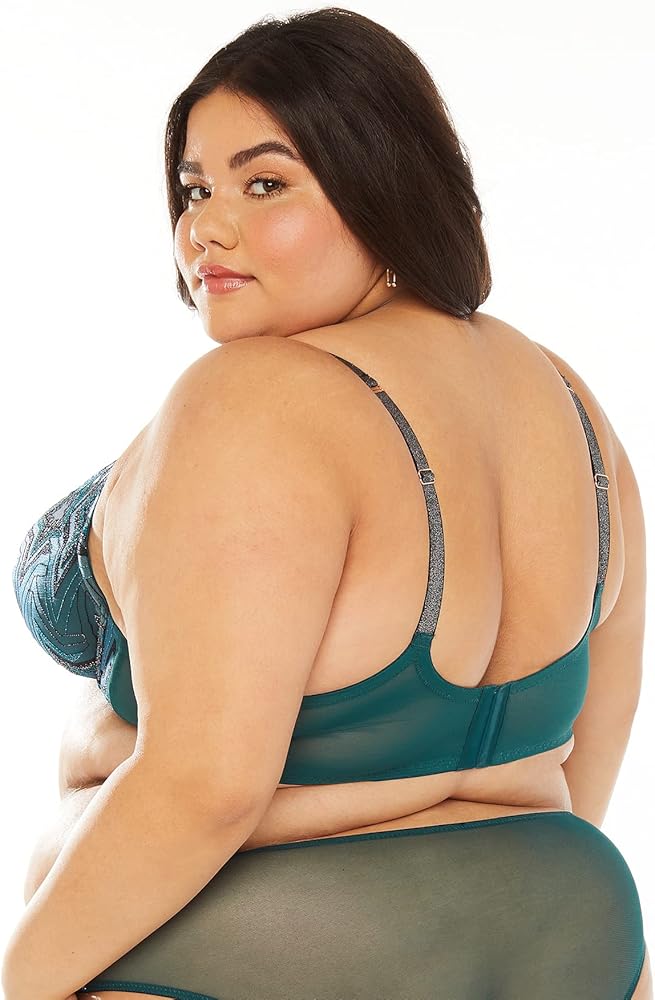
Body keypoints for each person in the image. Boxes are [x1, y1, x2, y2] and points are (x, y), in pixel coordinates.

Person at [7, 7, 650, 999]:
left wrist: (21, 981)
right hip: (579, 935)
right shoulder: (568, 401)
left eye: (265, 184)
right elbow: (583, 758)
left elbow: (206, 789)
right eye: (195, 188)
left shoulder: (256, 397)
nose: (205, 227)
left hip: (274, 956)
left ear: (380, 184)